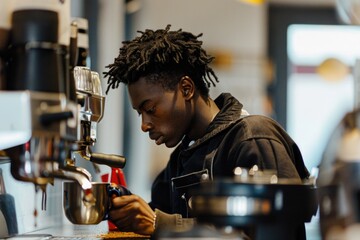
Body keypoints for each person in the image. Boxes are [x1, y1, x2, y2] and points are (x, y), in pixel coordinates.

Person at [104, 25, 310, 238]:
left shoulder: (253, 137)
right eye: (140, 114)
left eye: (150, 109)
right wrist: (124, 207)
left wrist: (160, 224)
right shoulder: (180, 161)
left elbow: (275, 231)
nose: (144, 125)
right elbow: (153, 215)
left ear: (186, 88)